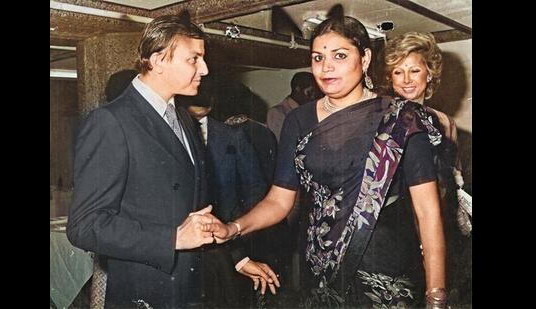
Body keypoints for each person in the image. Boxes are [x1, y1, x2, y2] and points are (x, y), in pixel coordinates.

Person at [206, 5, 448, 308]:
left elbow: (428, 212)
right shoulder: (299, 120)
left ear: (365, 58)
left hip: (386, 272)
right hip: (319, 270)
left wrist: (436, 296)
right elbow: (279, 201)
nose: (326, 67)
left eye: (340, 55)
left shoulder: (401, 120)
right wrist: (234, 228)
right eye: (318, 58)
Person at [66, 12, 222, 308]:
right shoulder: (111, 121)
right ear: (158, 59)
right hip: (145, 292)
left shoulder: (183, 119)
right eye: (193, 59)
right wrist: (172, 239)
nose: (204, 68)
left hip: (188, 288)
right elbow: (83, 226)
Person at [383, 31, 472, 306]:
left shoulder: (445, 122)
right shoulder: (384, 120)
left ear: (429, 74)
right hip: (397, 223)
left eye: (414, 70)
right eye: (398, 72)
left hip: (438, 219)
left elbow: (453, 176)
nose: (407, 80)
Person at [177, 79, 270, 307]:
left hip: (228, 245)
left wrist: (241, 236)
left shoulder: (232, 136)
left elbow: (255, 189)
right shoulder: (171, 134)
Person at [266, 71, 322, 141]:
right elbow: (279, 143)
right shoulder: (277, 112)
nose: (313, 96)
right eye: (310, 92)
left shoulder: (309, 110)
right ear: (297, 89)